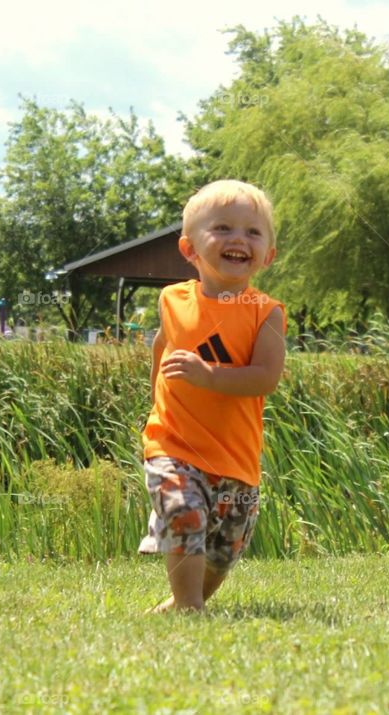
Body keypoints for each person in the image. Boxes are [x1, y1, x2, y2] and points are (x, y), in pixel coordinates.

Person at [138, 180, 286, 612]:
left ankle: (184, 601)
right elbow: (161, 346)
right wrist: (158, 401)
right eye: (222, 228)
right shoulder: (172, 300)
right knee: (183, 513)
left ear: (268, 255)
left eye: (253, 232)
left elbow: (265, 377)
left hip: (236, 458)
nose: (238, 239)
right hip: (172, 444)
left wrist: (208, 376)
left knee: (225, 548)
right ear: (189, 249)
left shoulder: (265, 312)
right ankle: (189, 607)